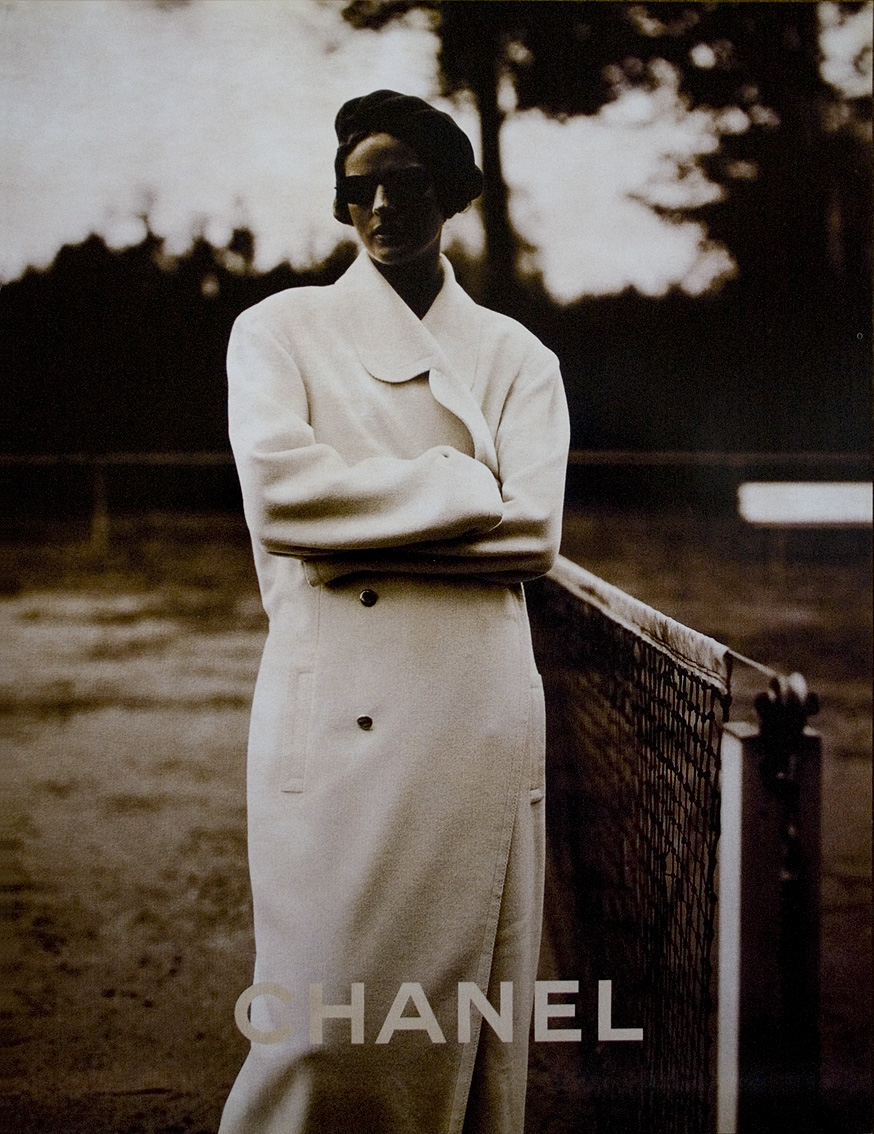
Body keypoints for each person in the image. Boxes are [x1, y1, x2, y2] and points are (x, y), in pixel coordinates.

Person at [219, 90, 570, 1134]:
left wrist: (353, 532)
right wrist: (461, 486)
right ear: (342, 204)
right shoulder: (277, 331)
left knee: (460, 1025)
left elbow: (533, 536)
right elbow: (283, 502)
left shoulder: (517, 358)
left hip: (474, 727)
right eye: (360, 188)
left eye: (407, 185)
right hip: (333, 724)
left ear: (450, 195)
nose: (382, 206)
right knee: (317, 1018)